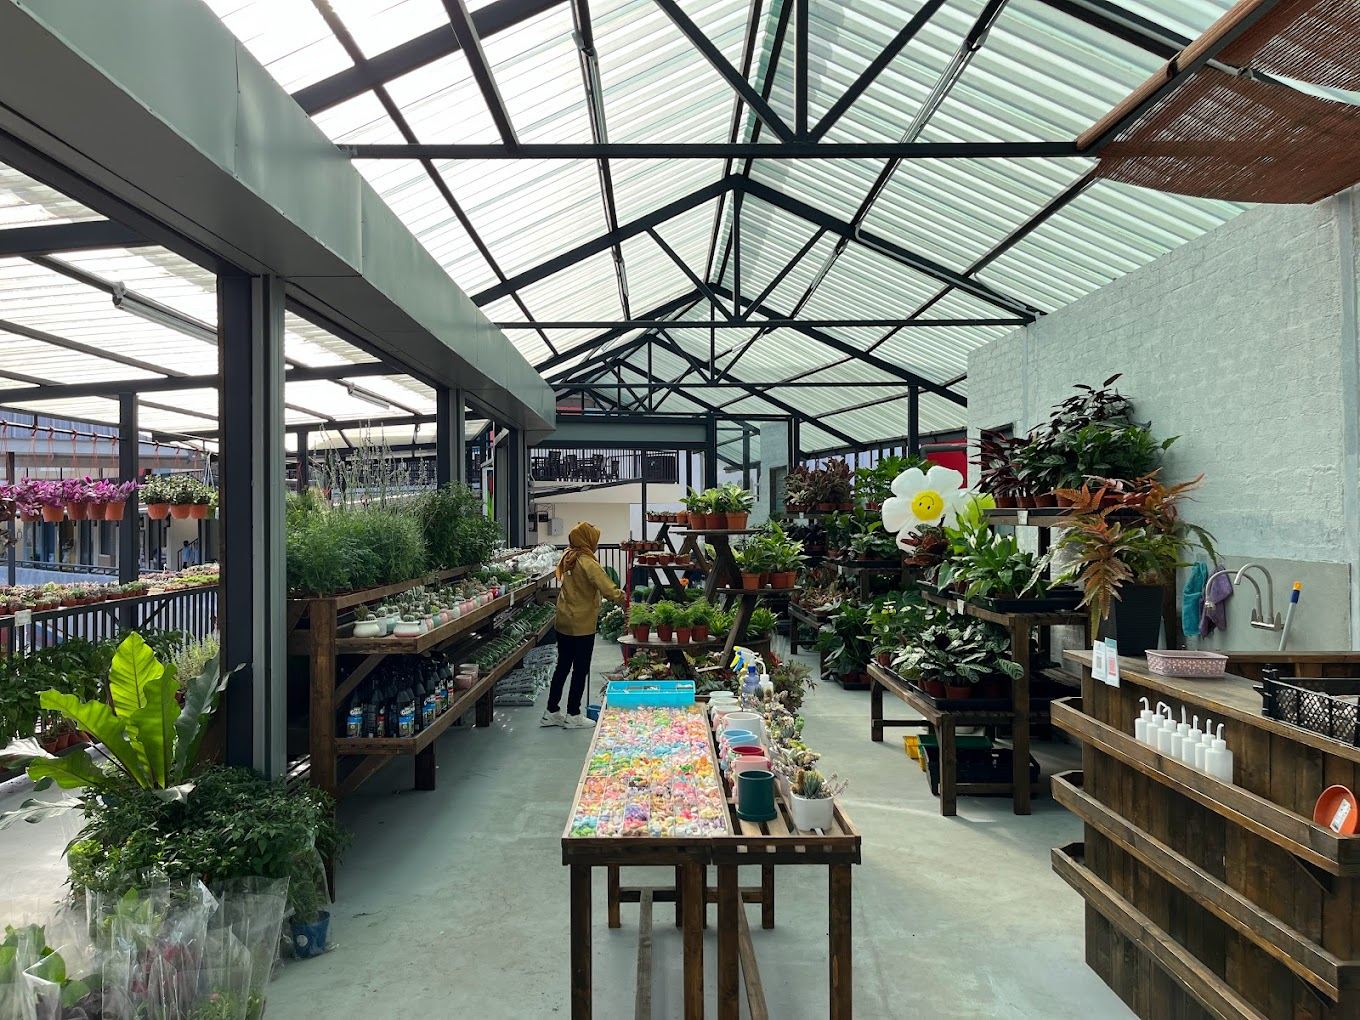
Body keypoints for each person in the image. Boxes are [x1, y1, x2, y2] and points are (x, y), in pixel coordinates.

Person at [542, 522, 623, 729]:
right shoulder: (587, 561)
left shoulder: (567, 556)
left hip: (564, 620)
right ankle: (574, 714)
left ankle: (551, 711)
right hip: (581, 622)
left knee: (562, 666)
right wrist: (621, 596)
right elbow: (607, 587)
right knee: (580, 668)